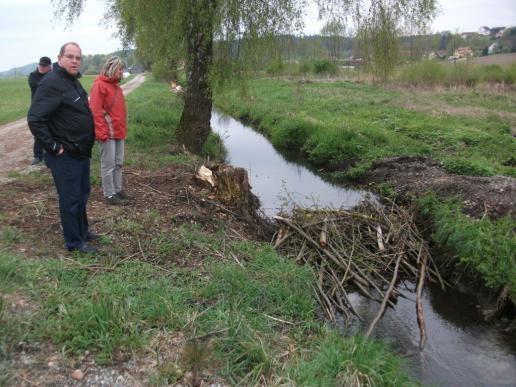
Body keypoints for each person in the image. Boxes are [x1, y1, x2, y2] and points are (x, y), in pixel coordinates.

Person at [28, 42, 98, 254]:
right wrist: (54, 147)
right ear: (59, 58)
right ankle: (74, 243)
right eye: (70, 56)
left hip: (80, 152)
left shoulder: (71, 81)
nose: (75, 60)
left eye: (78, 57)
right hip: (65, 155)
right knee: (71, 199)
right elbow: (35, 119)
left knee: (82, 194)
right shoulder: (52, 83)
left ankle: (83, 232)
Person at [89, 56, 128, 205]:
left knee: (119, 163)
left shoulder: (117, 87)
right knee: (108, 164)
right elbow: (95, 112)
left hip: (119, 132)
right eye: (119, 68)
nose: (122, 71)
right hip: (107, 134)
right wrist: (101, 133)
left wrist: (123, 130)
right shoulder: (99, 86)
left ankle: (118, 190)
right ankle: (109, 194)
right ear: (111, 68)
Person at [27, 56, 52, 165]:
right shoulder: (33, 76)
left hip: (51, 107)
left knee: (51, 130)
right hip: (37, 108)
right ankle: (38, 156)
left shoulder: (52, 75)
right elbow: (40, 86)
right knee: (38, 132)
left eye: (44, 66)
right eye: (41, 65)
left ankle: (49, 155)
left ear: (49, 67)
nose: (42, 67)